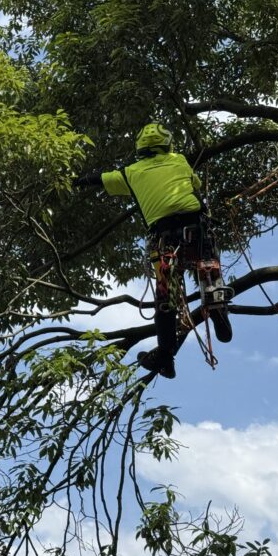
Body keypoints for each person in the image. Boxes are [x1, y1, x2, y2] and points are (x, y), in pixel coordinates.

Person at [74, 123, 232, 379]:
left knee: (165, 296)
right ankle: (218, 307)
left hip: (163, 236)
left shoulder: (130, 172)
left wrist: (75, 181)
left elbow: (99, 179)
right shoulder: (179, 160)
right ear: (166, 144)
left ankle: (166, 357)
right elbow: (196, 183)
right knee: (207, 265)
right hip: (195, 224)